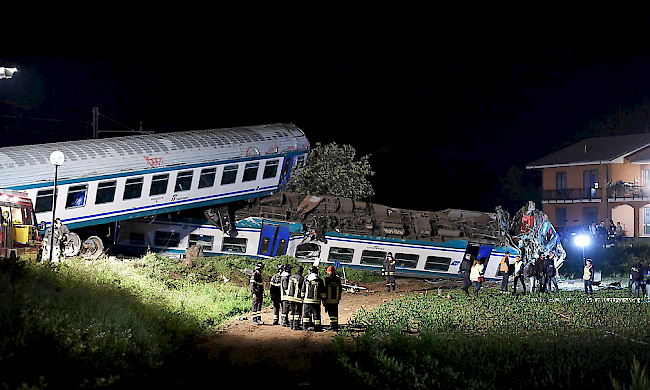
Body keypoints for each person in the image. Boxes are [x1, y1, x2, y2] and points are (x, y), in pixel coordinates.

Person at [301, 266, 325, 331]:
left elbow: (303, 290)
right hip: (316, 301)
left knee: (306, 314)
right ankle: (317, 328)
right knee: (316, 315)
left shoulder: (306, 279)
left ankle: (305, 327)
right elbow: (322, 291)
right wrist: (323, 299)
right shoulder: (319, 280)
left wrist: (302, 298)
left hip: (307, 301)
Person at [323, 265, 342, 331]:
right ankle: (334, 326)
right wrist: (338, 298)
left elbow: (324, 289)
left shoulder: (327, 279)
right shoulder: (337, 280)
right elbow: (340, 290)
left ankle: (332, 326)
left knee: (331, 314)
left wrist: (323, 299)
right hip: (335, 300)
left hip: (328, 300)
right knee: (335, 313)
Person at [286, 265, 305, 330]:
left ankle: (291, 325)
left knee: (292, 312)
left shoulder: (291, 277)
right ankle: (296, 326)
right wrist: (303, 297)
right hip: (297, 298)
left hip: (290, 298)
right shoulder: (301, 278)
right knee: (297, 312)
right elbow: (302, 289)